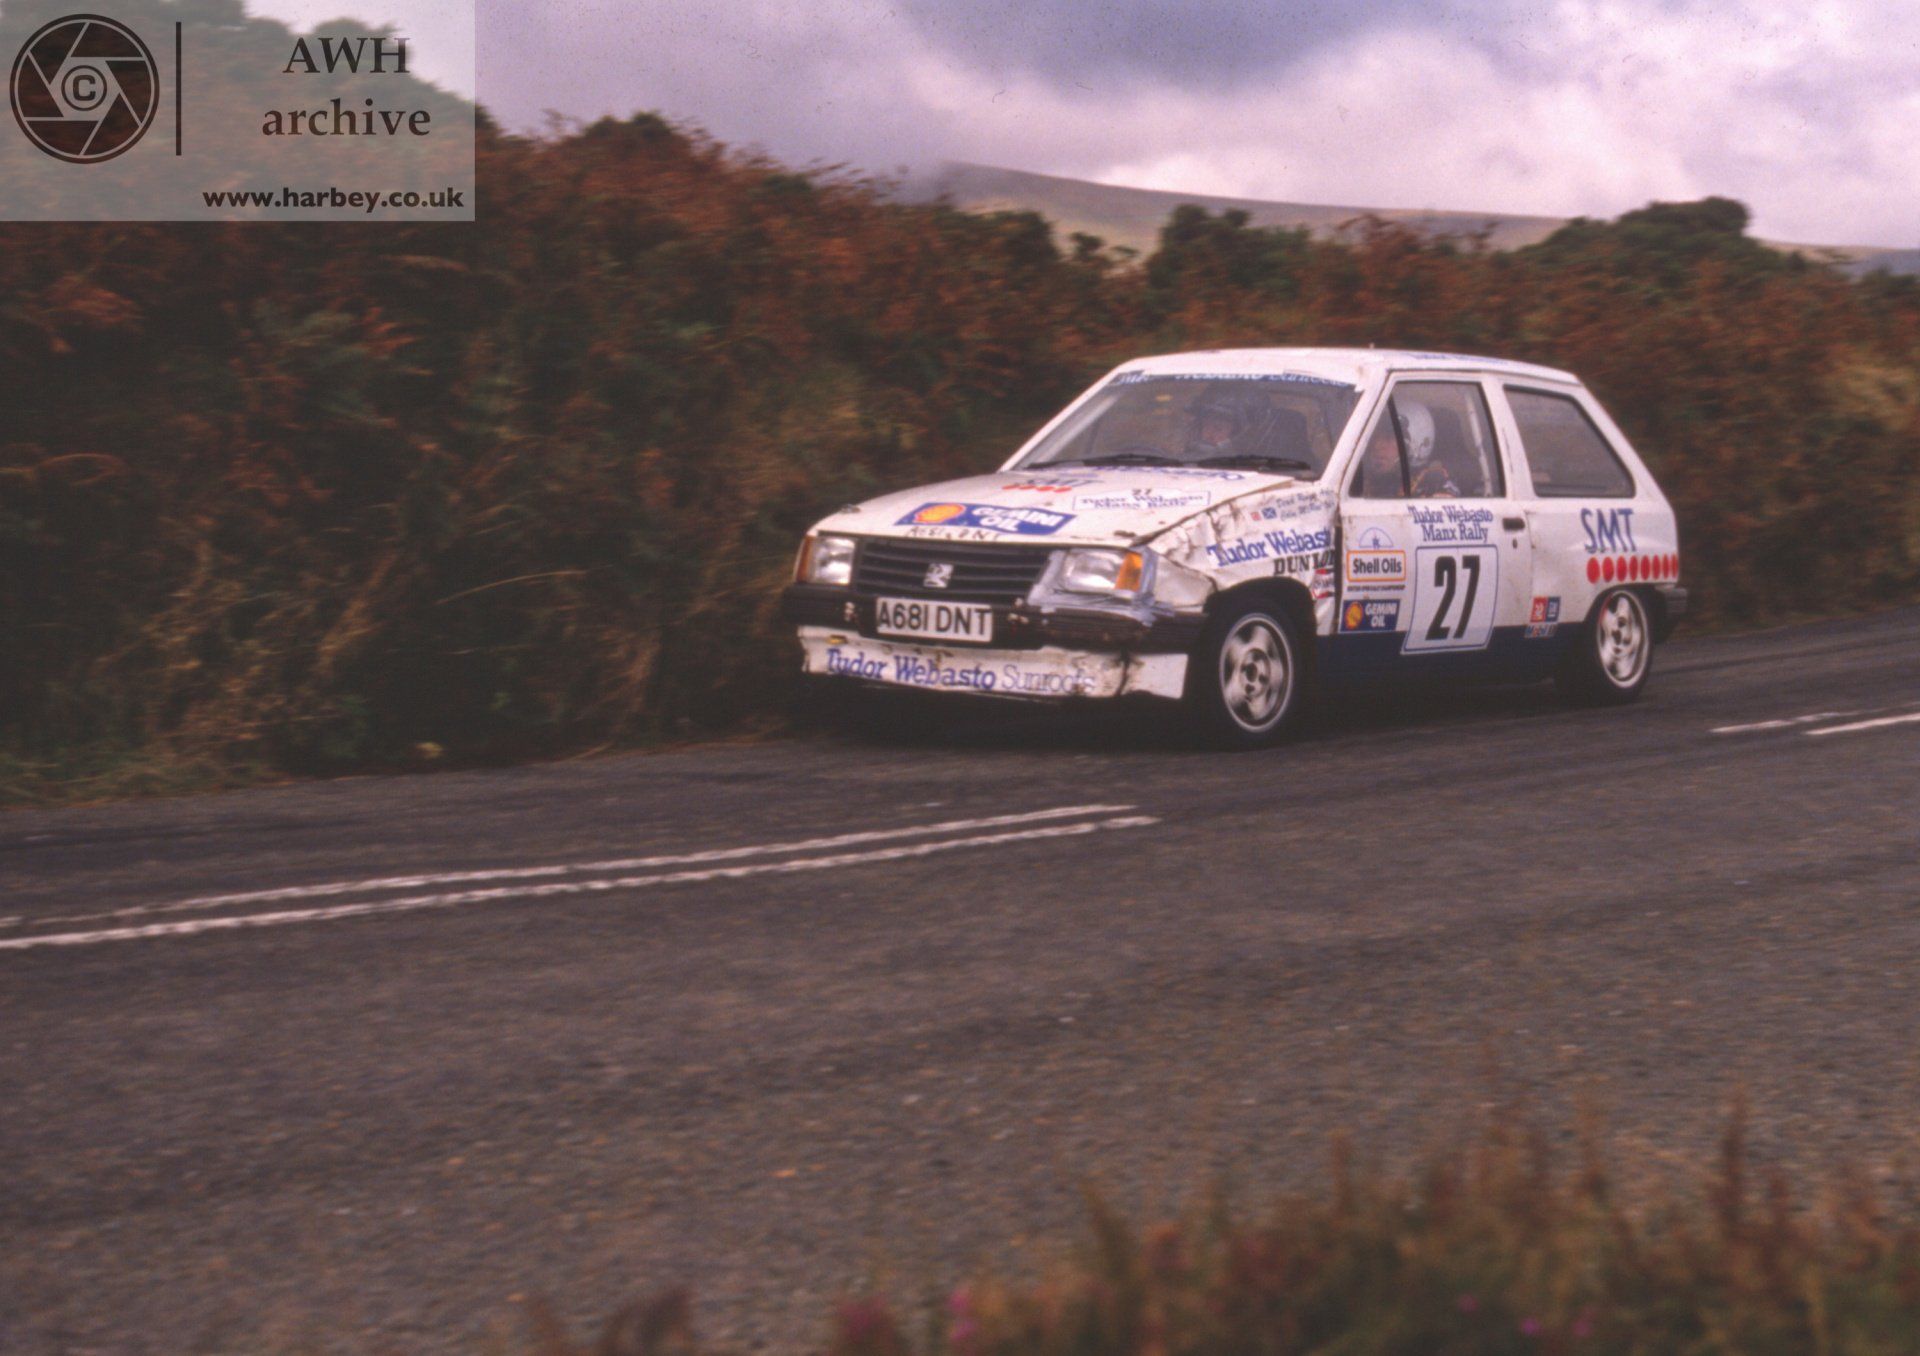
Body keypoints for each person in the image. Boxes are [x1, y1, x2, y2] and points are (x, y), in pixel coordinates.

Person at [1394, 400, 1459, 497]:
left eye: (1388, 439)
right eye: (1376, 437)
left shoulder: (1435, 481)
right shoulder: (1371, 478)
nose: (1377, 446)